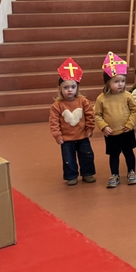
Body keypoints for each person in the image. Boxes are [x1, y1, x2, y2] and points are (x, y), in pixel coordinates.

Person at [94, 52, 136, 189]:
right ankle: (114, 174)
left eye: (122, 81)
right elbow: (97, 115)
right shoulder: (101, 99)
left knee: (129, 152)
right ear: (108, 82)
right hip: (112, 133)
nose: (120, 84)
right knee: (114, 155)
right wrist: (103, 126)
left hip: (126, 131)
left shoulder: (127, 96)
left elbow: (134, 111)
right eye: (116, 81)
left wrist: (130, 124)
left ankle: (131, 172)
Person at [49, 58, 95, 186]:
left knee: (87, 155)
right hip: (66, 139)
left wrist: (90, 128)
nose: (70, 90)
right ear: (60, 89)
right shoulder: (57, 106)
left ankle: (87, 173)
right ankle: (71, 176)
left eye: (73, 87)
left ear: (77, 88)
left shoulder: (83, 101)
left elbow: (90, 115)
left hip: (83, 136)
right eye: (66, 87)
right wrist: (58, 136)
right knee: (68, 159)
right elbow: (54, 122)